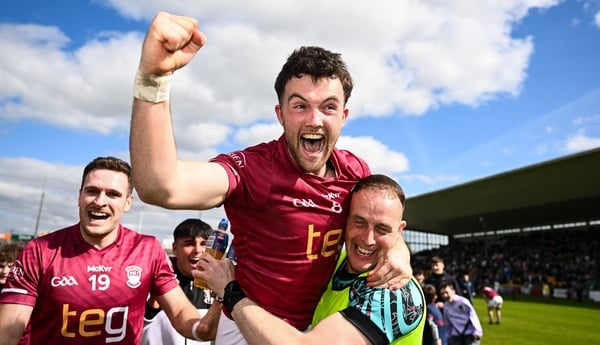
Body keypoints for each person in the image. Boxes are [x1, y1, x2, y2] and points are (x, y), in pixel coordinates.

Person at [130, 11, 412, 344]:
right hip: (246, 324)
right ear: (280, 114)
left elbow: (384, 222)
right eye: (299, 106)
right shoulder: (255, 169)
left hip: (317, 328)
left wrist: (398, 250)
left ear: (344, 116)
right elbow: (161, 185)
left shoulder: (355, 172)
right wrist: (153, 79)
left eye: (329, 107)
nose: (314, 120)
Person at [0, 157, 217, 345]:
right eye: (92, 191)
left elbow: (180, 313)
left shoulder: (148, 249)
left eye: (113, 194)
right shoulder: (39, 250)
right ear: (79, 197)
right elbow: (8, 332)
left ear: (127, 202)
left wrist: (204, 324)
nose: (100, 201)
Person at [196, 174, 425, 345]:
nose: (368, 238)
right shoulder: (335, 262)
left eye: (383, 229)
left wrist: (230, 291)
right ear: (344, 220)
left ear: (400, 230)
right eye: (359, 222)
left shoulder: (396, 293)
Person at [140, 218, 221, 345]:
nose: (198, 250)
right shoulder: (153, 277)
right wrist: (152, 306)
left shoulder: (218, 284)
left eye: (204, 244)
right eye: (189, 244)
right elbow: (133, 328)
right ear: (175, 248)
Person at [440, 281, 482, 345]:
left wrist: (477, 332)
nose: (445, 295)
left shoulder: (463, 302)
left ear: (453, 291)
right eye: (442, 294)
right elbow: (447, 323)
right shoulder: (446, 306)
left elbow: (473, 316)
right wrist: (448, 336)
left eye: (446, 292)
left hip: (469, 334)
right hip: (455, 336)